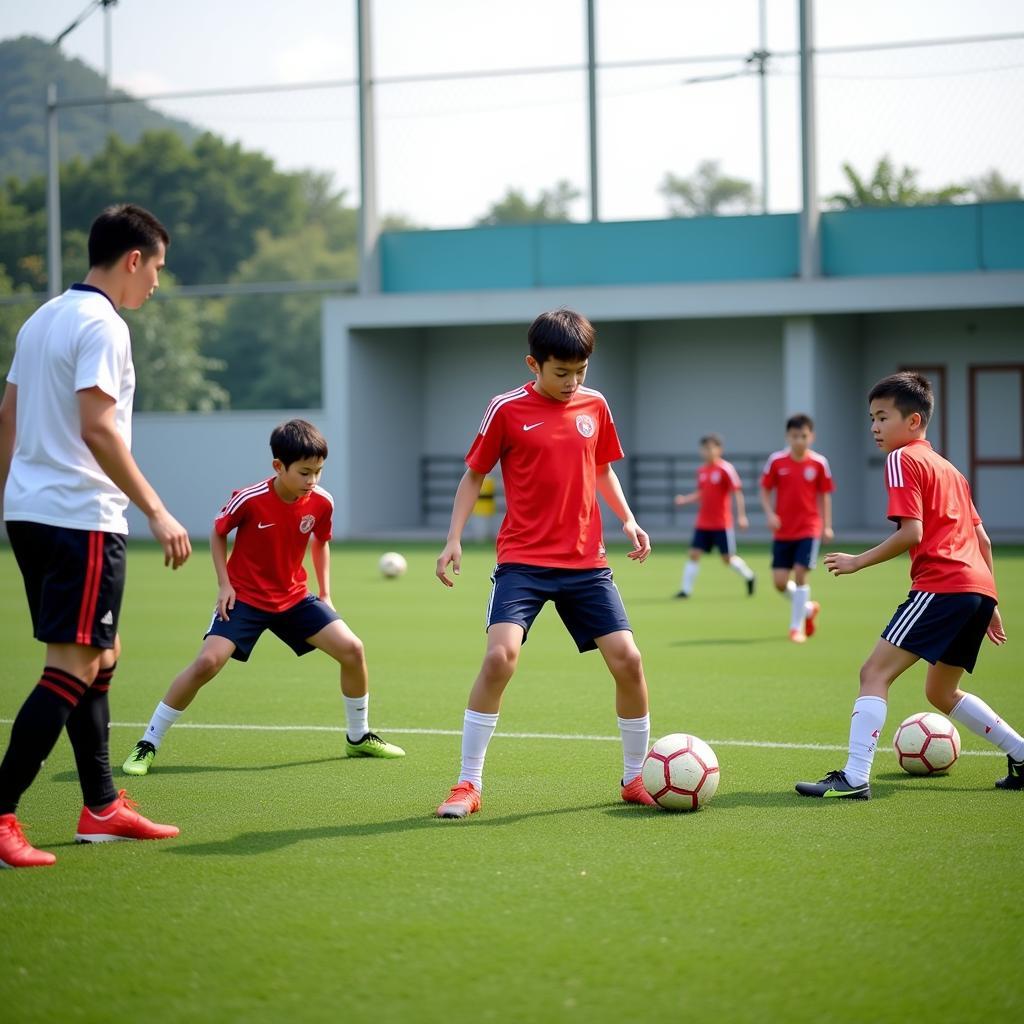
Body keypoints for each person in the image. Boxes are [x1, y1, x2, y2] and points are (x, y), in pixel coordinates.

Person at [0, 204, 191, 869]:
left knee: (101, 655)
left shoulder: (41, 318)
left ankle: (102, 807)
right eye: (157, 268)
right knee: (73, 665)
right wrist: (157, 509)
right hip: (80, 517)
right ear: (132, 260)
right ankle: (1, 812)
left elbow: (7, 420)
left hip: (29, 513)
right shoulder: (103, 325)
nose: (157, 284)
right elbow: (98, 427)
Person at [433, 308, 654, 819]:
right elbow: (474, 476)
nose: (572, 381)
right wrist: (454, 539)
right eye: (561, 372)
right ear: (534, 363)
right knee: (499, 658)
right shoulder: (505, 409)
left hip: (586, 563)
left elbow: (601, 470)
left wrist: (628, 519)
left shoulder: (595, 405)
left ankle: (635, 776)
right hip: (523, 563)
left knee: (630, 661)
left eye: (580, 371)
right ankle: (467, 784)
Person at [121, 418, 405, 776]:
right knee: (207, 664)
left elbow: (321, 542)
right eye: (304, 473)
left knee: (353, 649)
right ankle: (148, 743)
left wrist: (327, 593)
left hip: (294, 598)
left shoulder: (321, 502)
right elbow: (217, 532)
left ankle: (358, 737)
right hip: (246, 600)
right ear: (278, 466)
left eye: (318, 472)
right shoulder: (249, 499)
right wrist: (224, 585)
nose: (312, 481)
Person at [796, 371, 1023, 798]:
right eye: (871, 418)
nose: (874, 428)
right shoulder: (951, 469)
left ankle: (855, 776)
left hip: (943, 584)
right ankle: (1022, 754)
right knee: (941, 691)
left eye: (882, 417)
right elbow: (983, 539)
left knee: (873, 672)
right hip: (975, 588)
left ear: (913, 421)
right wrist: (989, 602)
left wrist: (858, 561)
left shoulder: (903, 459)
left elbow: (911, 533)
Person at [759, 414, 834, 643]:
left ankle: (796, 628)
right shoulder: (776, 461)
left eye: (803, 436)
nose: (799, 441)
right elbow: (764, 490)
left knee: (801, 574)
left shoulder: (819, 463)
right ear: (787, 437)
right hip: (783, 531)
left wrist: (826, 526)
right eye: (794, 436)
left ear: (811, 437)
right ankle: (809, 609)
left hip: (808, 529)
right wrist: (770, 514)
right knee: (780, 583)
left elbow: (825, 495)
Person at [673, 433, 756, 598]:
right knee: (694, 554)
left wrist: (741, 516)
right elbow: (701, 493)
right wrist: (685, 499)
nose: (708, 451)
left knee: (727, 559)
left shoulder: (726, 469)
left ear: (719, 449)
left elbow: (737, 492)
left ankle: (749, 576)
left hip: (722, 524)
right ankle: (685, 591)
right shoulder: (702, 471)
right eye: (704, 448)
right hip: (703, 522)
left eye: (711, 448)